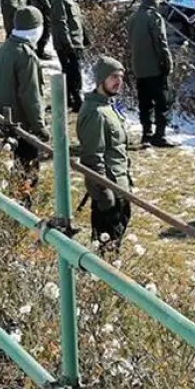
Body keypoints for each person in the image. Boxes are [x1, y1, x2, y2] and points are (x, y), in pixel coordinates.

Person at [77, 57, 133, 252]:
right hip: (110, 190)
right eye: (113, 77)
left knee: (114, 244)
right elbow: (92, 158)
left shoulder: (107, 106)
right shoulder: (95, 112)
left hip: (120, 185)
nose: (118, 81)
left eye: (121, 77)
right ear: (101, 79)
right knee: (106, 250)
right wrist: (104, 195)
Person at [0, 7, 47, 188]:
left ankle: (17, 200)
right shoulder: (26, 55)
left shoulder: (6, 47)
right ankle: (25, 208)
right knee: (28, 169)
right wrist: (39, 126)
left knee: (17, 165)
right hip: (23, 124)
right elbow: (31, 96)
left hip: (6, 118)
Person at [127, 0, 173, 148]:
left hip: (138, 67)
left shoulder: (133, 17)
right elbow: (161, 42)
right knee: (162, 102)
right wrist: (167, 63)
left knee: (144, 103)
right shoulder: (154, 17)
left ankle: (146, 133)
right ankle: (159, 135)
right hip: (154, 67)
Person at [52, 0, 87, 113]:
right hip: (67, 44)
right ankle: (77, 101)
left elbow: (77, 21)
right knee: (74, 73)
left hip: (76, 42)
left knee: (70, 72)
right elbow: (61, 22)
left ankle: (68, 100)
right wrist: (67, 44)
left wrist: (85, 37)